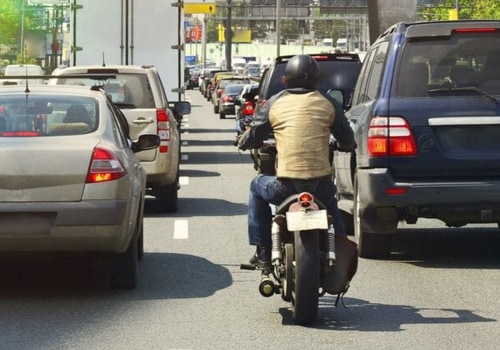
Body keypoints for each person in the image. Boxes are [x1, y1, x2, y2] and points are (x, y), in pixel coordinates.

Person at [238, 54, 357, 271]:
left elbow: (254, 135)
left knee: (256, 187)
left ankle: (263, 251)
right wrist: (345, 145)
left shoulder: (275, 103)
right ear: (316, 80)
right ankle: (341, 254)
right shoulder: (328, 103)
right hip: (320, 187)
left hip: (285, 187)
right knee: (334, 213)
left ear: (286, 79)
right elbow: (348, 140)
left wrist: (242, 141)